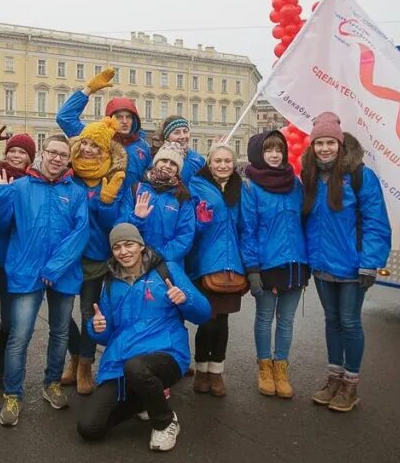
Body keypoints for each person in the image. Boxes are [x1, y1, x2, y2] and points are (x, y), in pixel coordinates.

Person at [76, 223, 210, 451]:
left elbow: (204, 313)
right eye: (117, 247)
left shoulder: (167, 270)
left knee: (137, 368)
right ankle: (147, 398)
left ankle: (165, 421)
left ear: (140, 245)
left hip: (165, 354)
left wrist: (185, 299)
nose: (123, 252)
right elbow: (106, 335)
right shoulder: (110, 282)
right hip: (121, 361)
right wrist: (97, 327)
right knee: (90, 428)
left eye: (129, 244)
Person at [0, 134, 89, 427]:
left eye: (63, 154)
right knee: (19, 336)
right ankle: (13, 393)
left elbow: (80, 233)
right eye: (52, 152)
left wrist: (55, 267)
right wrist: (0, 196)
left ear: (68, 159)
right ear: (41, 155)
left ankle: (52, 382)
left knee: (60, 332)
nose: (57, 158)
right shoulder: (18, 187)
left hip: (63, 272)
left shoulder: (76, 192)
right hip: (25, 270)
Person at [300, 112, 391, 413]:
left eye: (330, 142)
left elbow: (376, 222)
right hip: (323, 265)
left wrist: (371, 262)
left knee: (349, 322)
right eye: (319, 143)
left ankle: (350, 384)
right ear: (312, 146)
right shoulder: (310, 176)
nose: (324, 148)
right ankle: (334, 377)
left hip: (353, 266)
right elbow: (309, 222)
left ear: (340, 144)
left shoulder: (359, 175)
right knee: (331, 321)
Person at [240, 130, 310, 399]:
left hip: (295, 262)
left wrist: (309, 261)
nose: (274, 154)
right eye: (268, 150)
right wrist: (253, 268)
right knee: (265, 317)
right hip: (267, 264)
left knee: (287, 320)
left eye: (278, 149)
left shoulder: (296, 185)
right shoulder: (251, 187)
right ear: (259, 153)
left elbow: (304, 223)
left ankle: (281, 368)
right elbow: (248, 229)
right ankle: (264, 368)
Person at [60, 117, 127, 395]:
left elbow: (115, 224)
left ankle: (86, 364)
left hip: (95, 257)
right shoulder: (67, 173)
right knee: (61, 314)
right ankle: (75, 355)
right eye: (84, 142)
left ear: (106, 152)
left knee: (89, 311)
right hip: (66, 255)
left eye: (95, 146)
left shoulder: (111, 177)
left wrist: (106, 200)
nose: (88, 149)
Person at [0, 133, 36, 390]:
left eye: (22, 152)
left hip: (15, 263)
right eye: (12, 150)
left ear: (30, 158)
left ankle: (2, 365)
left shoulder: (31, 184)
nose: (16, 155)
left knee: (10, 322)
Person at [187, 143, 247, 397]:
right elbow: (190, 225)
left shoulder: (241, 189)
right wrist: (200, 222)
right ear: (209, 164)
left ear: (233, 164)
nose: (223, 165)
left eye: (227, 161)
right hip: (204, 262)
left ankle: (216, 371)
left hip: (232, 263)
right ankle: (201, 369)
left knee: (222, 321)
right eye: (217, 161)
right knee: (207, 320)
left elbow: (246, 227)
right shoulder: (196, 187)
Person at [56, 67, 152, 190]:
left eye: (128, 117)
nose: (124, 121)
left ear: (134, 119)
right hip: (100, 203)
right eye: (118, 117)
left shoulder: (143, 146)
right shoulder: (95, 138)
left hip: (132, 205)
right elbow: (64, 117)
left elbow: (148, 179)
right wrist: (88, 90)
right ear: (110, 119)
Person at [117, 141, 195, 262]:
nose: (167, 166)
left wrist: (158, 257)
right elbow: (120, 226)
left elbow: (185, 236)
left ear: (178, 170)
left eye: (173, 164)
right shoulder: (135, 189)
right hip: (135, 262)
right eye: (164, 160)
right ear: (156, 162)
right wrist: (136, 218)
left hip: (166, 264)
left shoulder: (182, 197)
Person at [153, 115, 204, 184]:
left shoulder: (198, 159)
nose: (183, 136)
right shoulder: (157, 159)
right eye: (177, 132)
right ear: (167, 137)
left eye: (185, 131)